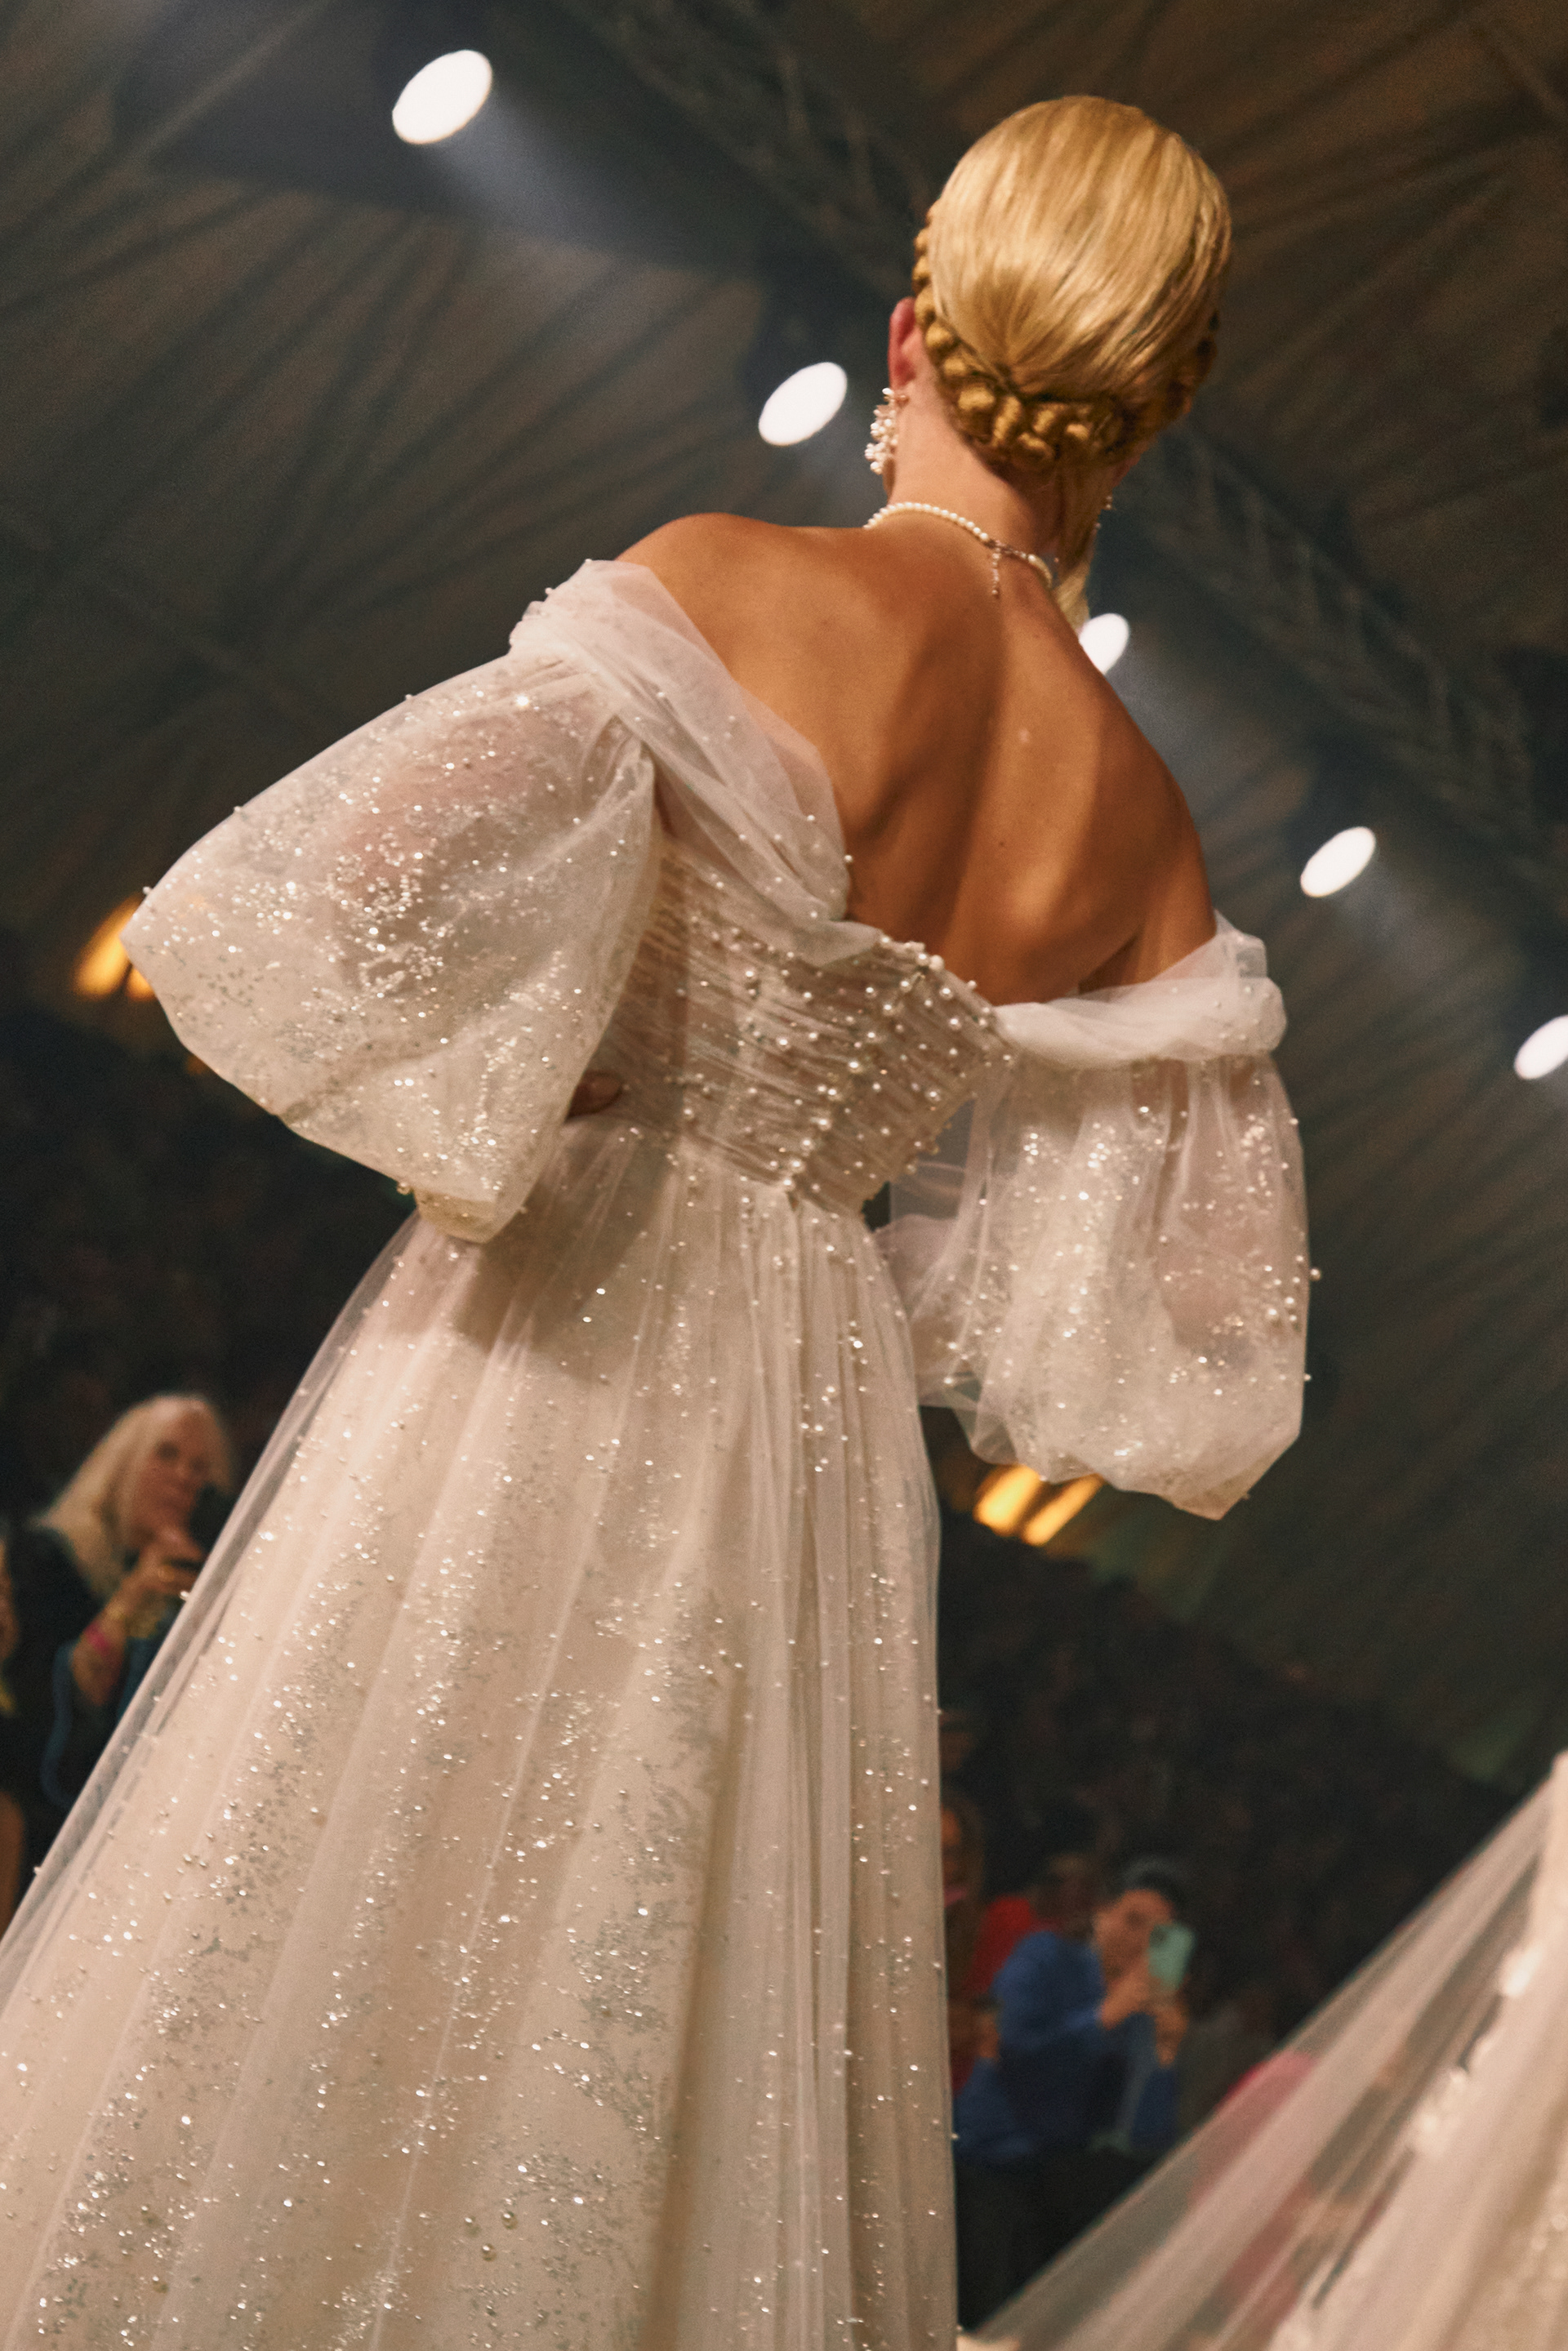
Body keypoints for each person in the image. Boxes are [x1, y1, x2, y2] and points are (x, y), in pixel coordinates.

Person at [0, 96, 1307, 2348]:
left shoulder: (733, 586)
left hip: (570, 1304)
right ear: (1150, 406)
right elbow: (1193, 1343)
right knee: (674, 1962)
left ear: (910, 330)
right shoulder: (1142, 827)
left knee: (356, 1888)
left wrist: (538, 1084)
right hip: (804, 1407)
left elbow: (312, 905)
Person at [1, 1395, 233, 1880]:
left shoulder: (191, 1582)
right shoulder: (49, 1558)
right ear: (126, 1460)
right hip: (40, 1829)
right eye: (167, 1454)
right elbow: (43, 1713)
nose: (184, 1478)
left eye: (200, 1469)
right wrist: (130, 1601)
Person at [952, 1859, 1192, 2324]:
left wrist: (1164, 2053)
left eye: (1158, 1936)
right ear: (1102, 1914)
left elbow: (1146, 2134)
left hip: (1063, 2185)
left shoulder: (1142, 2013)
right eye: (1132, 1920)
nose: (1139, 1941)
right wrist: (1105, 2015)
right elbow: (1015, 2050)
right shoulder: (1044, 1956)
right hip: (993, 2162)